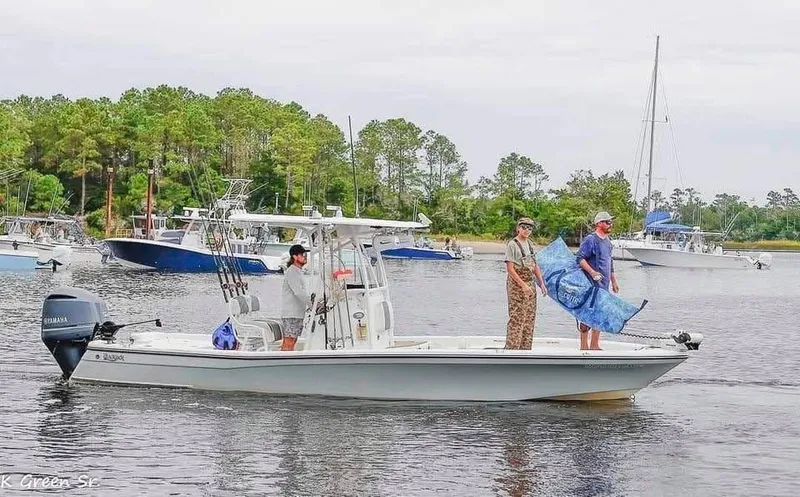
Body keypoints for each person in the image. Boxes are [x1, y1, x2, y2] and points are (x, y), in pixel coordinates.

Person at [576, 211, 619, 350]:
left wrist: (614, 281)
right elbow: (580, 259)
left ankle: (594, 345)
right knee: (586, 314)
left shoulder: (608, 242)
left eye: (610, 222)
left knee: (599, 314)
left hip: (604, 285)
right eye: (607, 222)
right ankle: (584, 346)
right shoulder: (591, 239)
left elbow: (609, 262)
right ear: (599, 223)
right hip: (590, 284)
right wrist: (592, 272)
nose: (610, 224)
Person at [504, 217, 547, 350]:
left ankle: (525, 348)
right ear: (518, 228)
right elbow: (510, 268)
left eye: (529, 228)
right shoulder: (512, 244)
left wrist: (541, 283)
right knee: (517, 317)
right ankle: (512, 348)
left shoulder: (530, 244)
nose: (527, 230)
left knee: (529, 317)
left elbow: (534, 266)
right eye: (524, 227)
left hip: (530, 283)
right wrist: (522, 285)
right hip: (517, 284)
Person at [281, 244, 312, 351]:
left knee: (293, 341)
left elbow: (302, 292)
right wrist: (312, 305)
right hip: (291, 313)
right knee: (289, 341)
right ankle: (283, 363)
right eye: (303, 254)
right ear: (294, 257)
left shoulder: (298, 271)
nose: (305, 257)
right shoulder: (292, 271)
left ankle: (287, 362)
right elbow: (299, 292)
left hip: (297, 313)